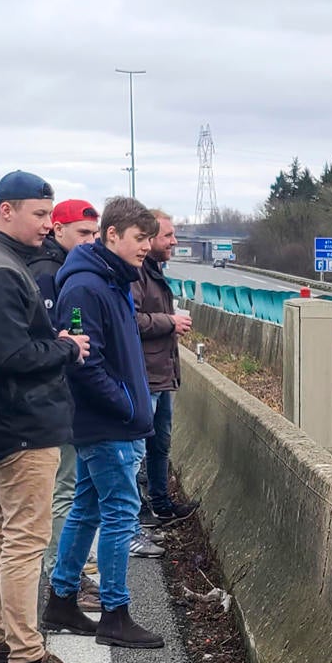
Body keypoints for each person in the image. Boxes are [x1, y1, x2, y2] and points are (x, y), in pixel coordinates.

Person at [0, 170, 92, 663]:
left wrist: (46, 340)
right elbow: (11, 354)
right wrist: (65, 347)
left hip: (2, 416)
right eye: (39, 214)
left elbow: (6, 341)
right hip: (21, 420)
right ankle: (27, 656)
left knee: (6, 531)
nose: (47, 223)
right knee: (25, 540)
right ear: (5, 210)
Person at [41, 197, 165, 649]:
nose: (146, 247)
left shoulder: (110, 280)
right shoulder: (86, 288)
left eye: (149, 238)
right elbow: (83, 362)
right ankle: (115, 613)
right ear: (112, 235)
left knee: (89, 508)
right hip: (108, 423)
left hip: (113, 420)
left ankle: (61, 601)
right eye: (139, 238)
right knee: (119, 513)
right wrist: (128, 406)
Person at [33, 197, 102, 596]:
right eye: (83, 233)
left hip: (63, 395)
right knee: (65, 487)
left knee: (69, 486)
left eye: (94, 234)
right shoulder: (50, 274)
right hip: (54, 396)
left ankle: (64, 565)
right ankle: (63, 574)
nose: (90, 241)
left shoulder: (66, 268)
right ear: (58, 230)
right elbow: (51, 340)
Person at [131, 210, 199, 558]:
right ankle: (140, 513)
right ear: (149, 238)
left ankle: (160, 503)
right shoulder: (136, 274)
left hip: (162, 373)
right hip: (146, 374)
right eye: (168, 236)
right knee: (139, 450)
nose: (174, 242)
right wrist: (169, 322)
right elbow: (132, 320)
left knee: (161, 443)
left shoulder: (154, 272)